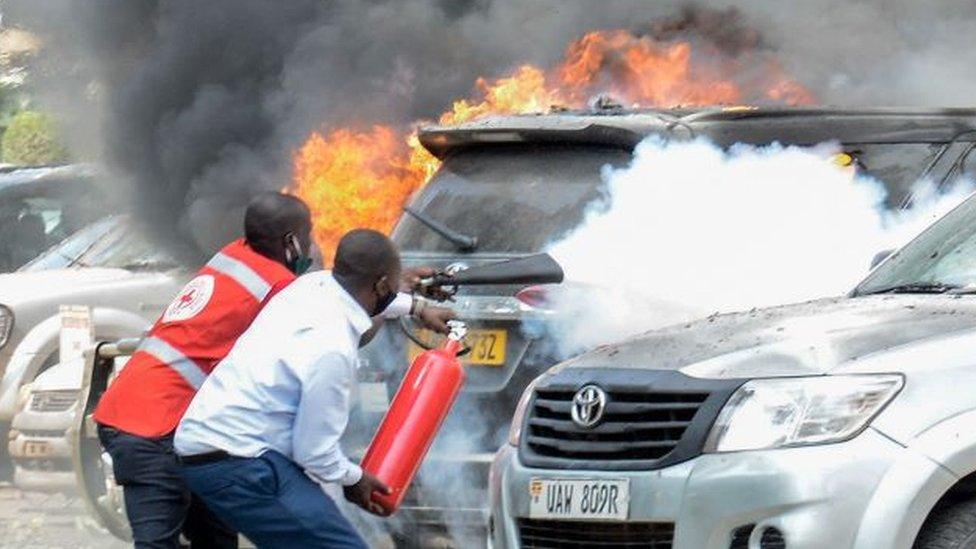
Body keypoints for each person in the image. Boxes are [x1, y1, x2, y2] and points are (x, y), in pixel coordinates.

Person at [95, 193, 450, 548]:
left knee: (216, 538)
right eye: (308, 234)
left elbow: (336, 289)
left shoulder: (234, 256)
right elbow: (348, 317)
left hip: (149, 415)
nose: (311, 245)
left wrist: (410, 302)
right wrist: (398, 296)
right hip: (154, 425)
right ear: (292, 242)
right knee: (158, 542)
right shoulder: (284, 291)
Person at [174, 229, 448, 548]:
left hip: (220, 445)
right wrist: (354, 479)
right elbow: (314, 452)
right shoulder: (332, 348)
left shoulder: (309, 286)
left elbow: (368, 297)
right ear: (382, 284)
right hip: (240, 462)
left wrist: (416, 307)